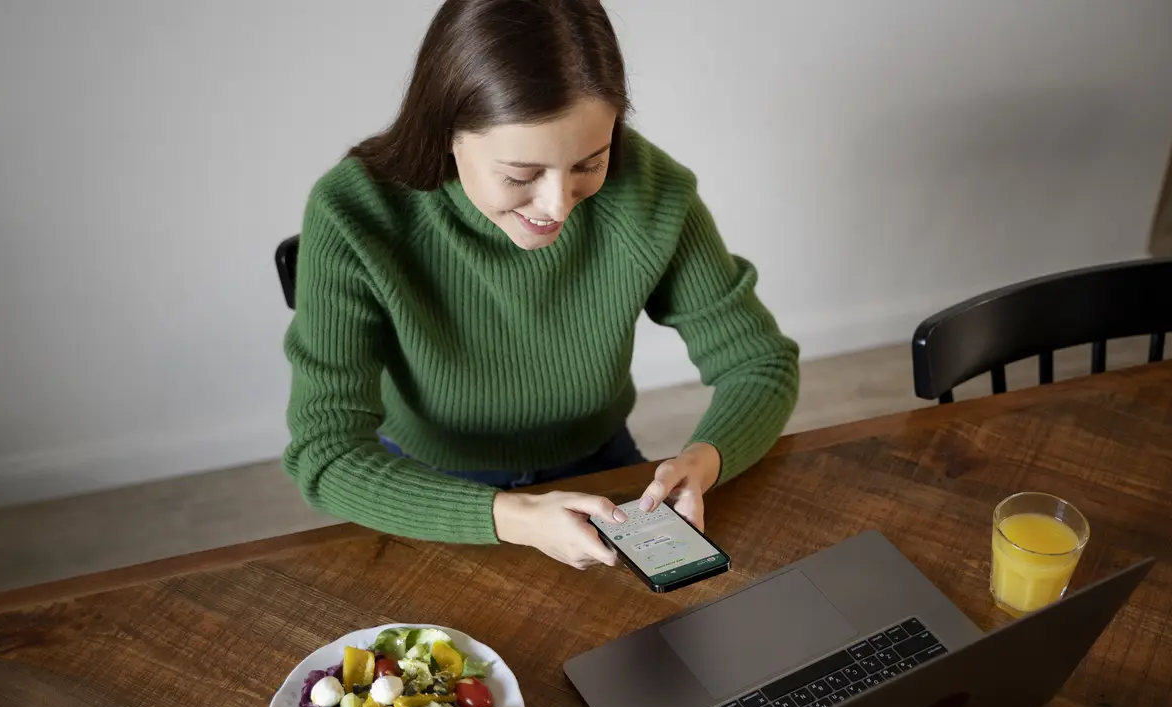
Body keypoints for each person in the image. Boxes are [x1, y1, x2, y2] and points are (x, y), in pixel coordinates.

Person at [283, 0, 799, 571]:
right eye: (521, 175)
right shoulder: (354, 212)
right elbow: (326, 454)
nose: (557, 207)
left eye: (588, 164)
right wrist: (515, 517)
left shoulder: (651, 193)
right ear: (446, 131)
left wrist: (705, 460)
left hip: (600, 464)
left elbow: (758, 363)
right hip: (427, 485)